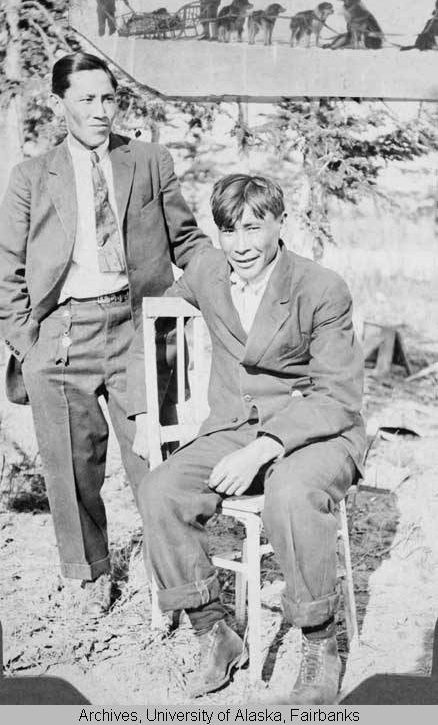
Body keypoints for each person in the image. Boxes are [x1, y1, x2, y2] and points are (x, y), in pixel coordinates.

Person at [129, 174, 367, 703]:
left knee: (291, 494)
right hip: (234, 428)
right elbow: (156, 327)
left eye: (254, 228)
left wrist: (266, 446)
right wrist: (144, 409)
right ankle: (214, 630)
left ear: (280, 224)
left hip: (316, 432)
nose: (240, 246)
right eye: (229, 231)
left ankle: (319, 640)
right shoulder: (208, 270)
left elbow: (339, 396)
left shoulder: (321, 287)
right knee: (159, 490)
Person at [0, 52, 210, 617]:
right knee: (71, 469)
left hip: (139, 329)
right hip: (62, 336)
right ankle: (89, 579)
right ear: (59, 102)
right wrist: (29, 345)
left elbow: (186, 241)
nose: (100, 110)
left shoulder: (147, 161)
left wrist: (229, 279)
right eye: (87, 98)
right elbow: (8, 269)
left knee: (158, 463)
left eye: (108, 98)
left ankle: (170, 584)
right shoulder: (30, 176)